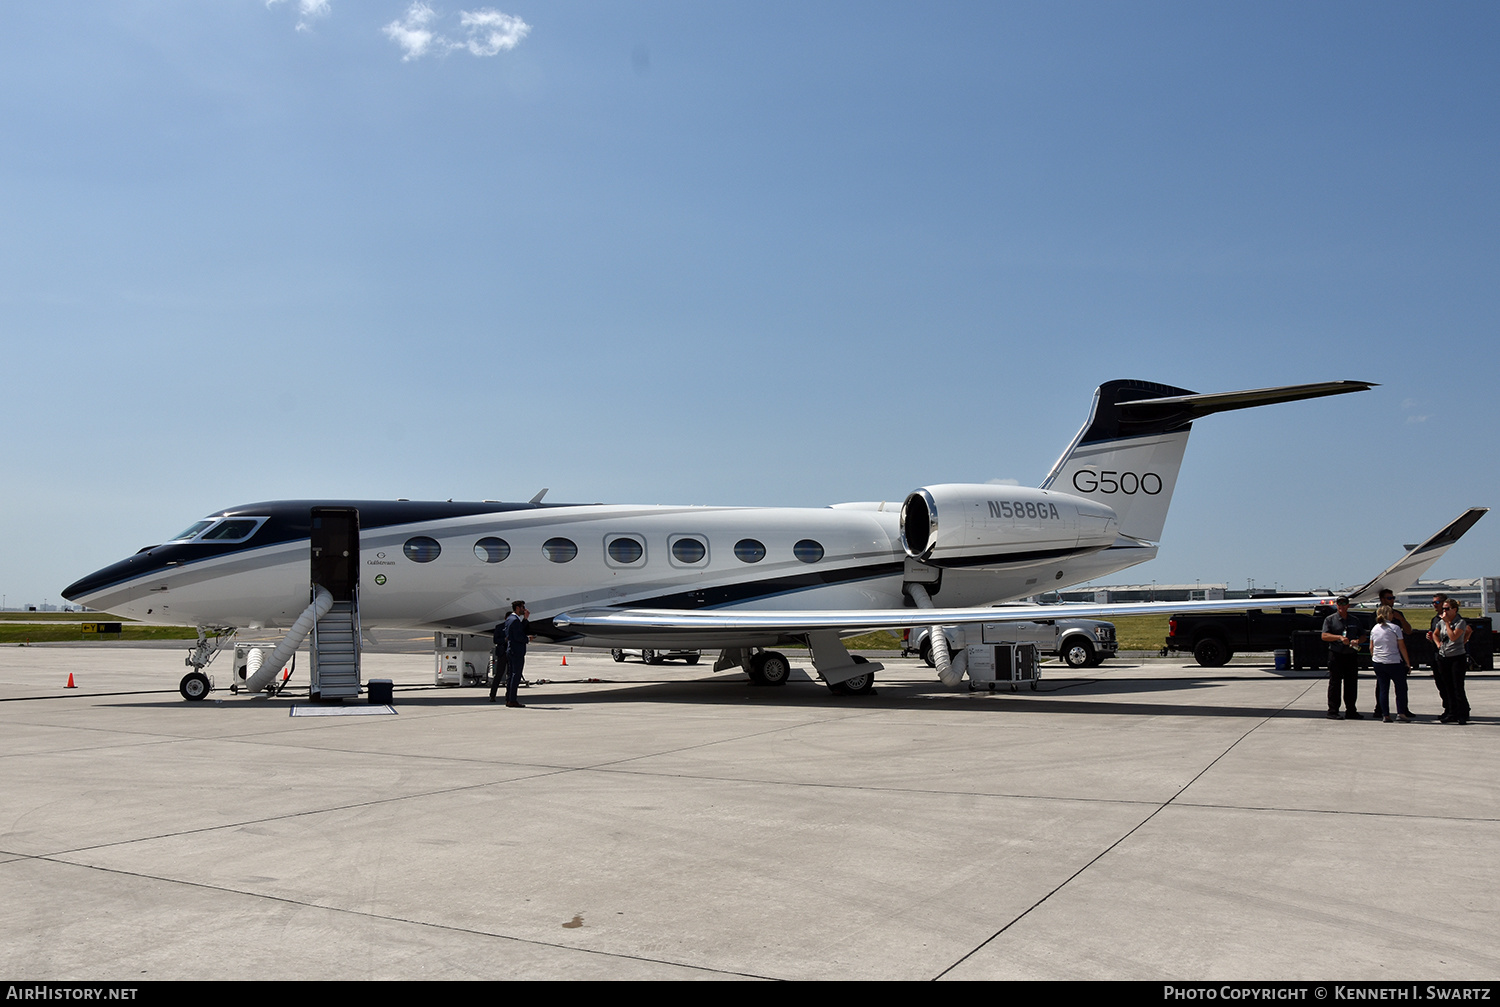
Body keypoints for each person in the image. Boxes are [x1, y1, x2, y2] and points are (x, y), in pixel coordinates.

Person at [1321, 596, 1365, 719]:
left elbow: (1363, 635)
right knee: (1335, 683)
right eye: (1339, 604)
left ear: (1348, 606)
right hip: (1336, 654)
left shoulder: (1354, 620)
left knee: (1351, 683)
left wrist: (1357, 640)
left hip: (1350, 654)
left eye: (1344, 604)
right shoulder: (1330, 619)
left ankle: (1351, 710)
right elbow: (1324, 636)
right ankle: (1333, 711)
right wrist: (1339, 638)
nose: (1341, 606)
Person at [1429, 598, 1472, 725]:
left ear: (1454, 610)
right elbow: (1435, 634)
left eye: (1447, 609)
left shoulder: (1460, 622)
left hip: (1457, 657)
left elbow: (1453, 637)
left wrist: (1447, 623)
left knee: (1457, 686)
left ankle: (1463, 713)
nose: (1445, 611)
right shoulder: (1440, 622)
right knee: (1447, 686)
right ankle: (1452, 713)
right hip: (1444, 656)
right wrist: (1437, 644)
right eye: (1443, 609)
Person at [1369, 605, 1412, 723]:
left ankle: (1386, 715)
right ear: (1389, 614)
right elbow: (1401, 646)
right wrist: (1407, 663)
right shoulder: (1395, 628)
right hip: (1393, 661)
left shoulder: (1374, 629)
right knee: (1401, 688)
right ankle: (1401, 713)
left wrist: (1375, 658)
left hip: (1379, 661)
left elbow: (1371, 647)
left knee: (1383, 689)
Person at [502, 600, 532, 708]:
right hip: (516, 651)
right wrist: (528, 639)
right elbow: (518, 636)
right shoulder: (515, 620)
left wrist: (525, 619)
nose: (524, 610)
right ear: (518, 608)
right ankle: (512, 699)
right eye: (523, 607)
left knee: (511, 675)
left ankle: (509, 698)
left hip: (511, 650)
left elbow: (517, 631)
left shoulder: (510, 619)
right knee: (516, 675)